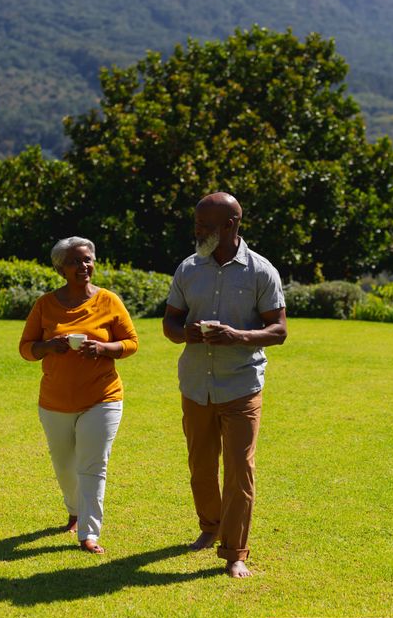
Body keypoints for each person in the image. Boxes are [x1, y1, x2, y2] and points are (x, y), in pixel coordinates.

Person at [162, 193, 287, 578]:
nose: (197, 232)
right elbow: (169, 323)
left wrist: (236, 336)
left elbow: (278, 331)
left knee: (238, 469)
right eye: (197, 225)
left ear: (231, 225)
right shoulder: (188, 268)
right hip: (196, 384)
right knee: (201, 466)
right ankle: (209, 527)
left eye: (205, 227)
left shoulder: (261, 271)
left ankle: (235, 552)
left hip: (241, 385)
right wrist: (186, 335)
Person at [19, 237, 138, 554]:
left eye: (87, 259)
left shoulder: (109, 301)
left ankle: (88, 532)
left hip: (103, 397)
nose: (83, 266)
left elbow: (130, 343)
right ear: (60, 268)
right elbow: (25, 349)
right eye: (74, 261)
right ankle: (74, 508)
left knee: (93, 465)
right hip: (55, 401)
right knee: (64, 465)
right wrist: (48, 346)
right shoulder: (45, 304)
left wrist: (102, 348)